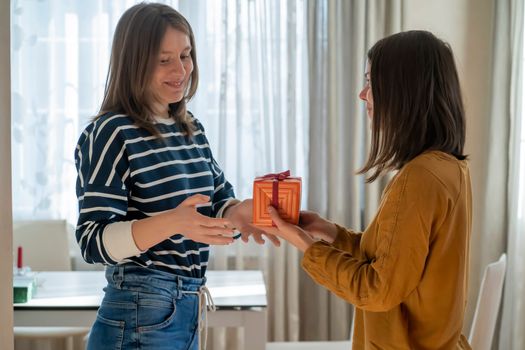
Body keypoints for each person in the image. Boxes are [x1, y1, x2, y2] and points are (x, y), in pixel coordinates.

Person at [74, 3, 273, 350]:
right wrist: (173, 222)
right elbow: (93, 242)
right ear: (134, 62)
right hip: (140, 311)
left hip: (187, 308)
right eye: (164, 59)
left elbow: (217, 200)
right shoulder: (111, 132)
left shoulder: (191, 127)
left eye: (186, 54)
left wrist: (237, 212)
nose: (181, 70)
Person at [266, 30, 472, 350]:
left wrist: (305, 245)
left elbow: (376, 289)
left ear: (403, 91)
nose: (363, 95)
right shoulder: (448, 168)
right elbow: (396, 262)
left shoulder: (419, 178)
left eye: (371, 83)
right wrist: (328, 231)